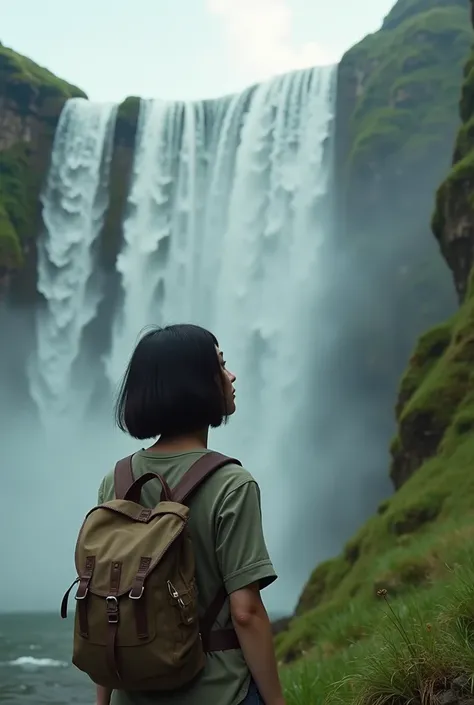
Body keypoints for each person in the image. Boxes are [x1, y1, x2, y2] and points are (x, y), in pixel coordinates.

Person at [96, 323, 285, 705]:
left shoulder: (116, 481)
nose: (231, 376)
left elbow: (106, 604)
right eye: (220, 365)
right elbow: (245, 612)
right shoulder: (232, 483)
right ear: (196, 382)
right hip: (218, 692)